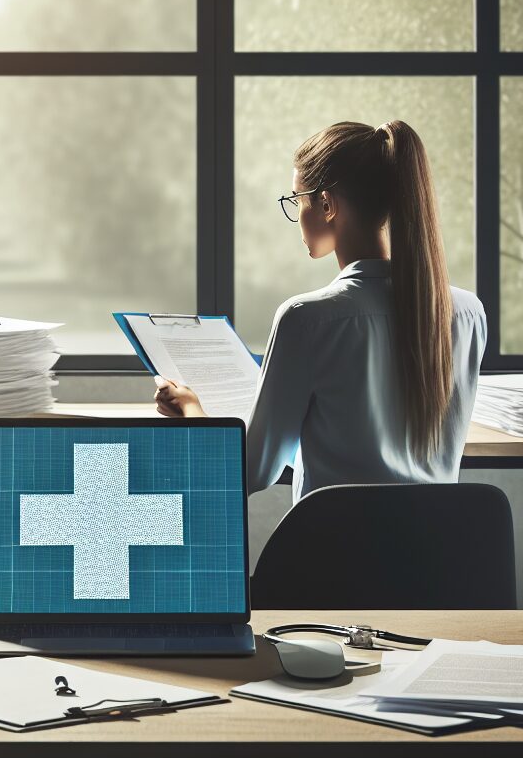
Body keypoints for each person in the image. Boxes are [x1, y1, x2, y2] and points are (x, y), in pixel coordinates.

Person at [154, 120, 487, 501]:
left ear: (327, 204)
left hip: (332, 555)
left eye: (297, 200)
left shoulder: (307, 319)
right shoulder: (467, 313)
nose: (297, 214)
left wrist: (193, 410)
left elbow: (251, 472)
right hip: (437, 557)